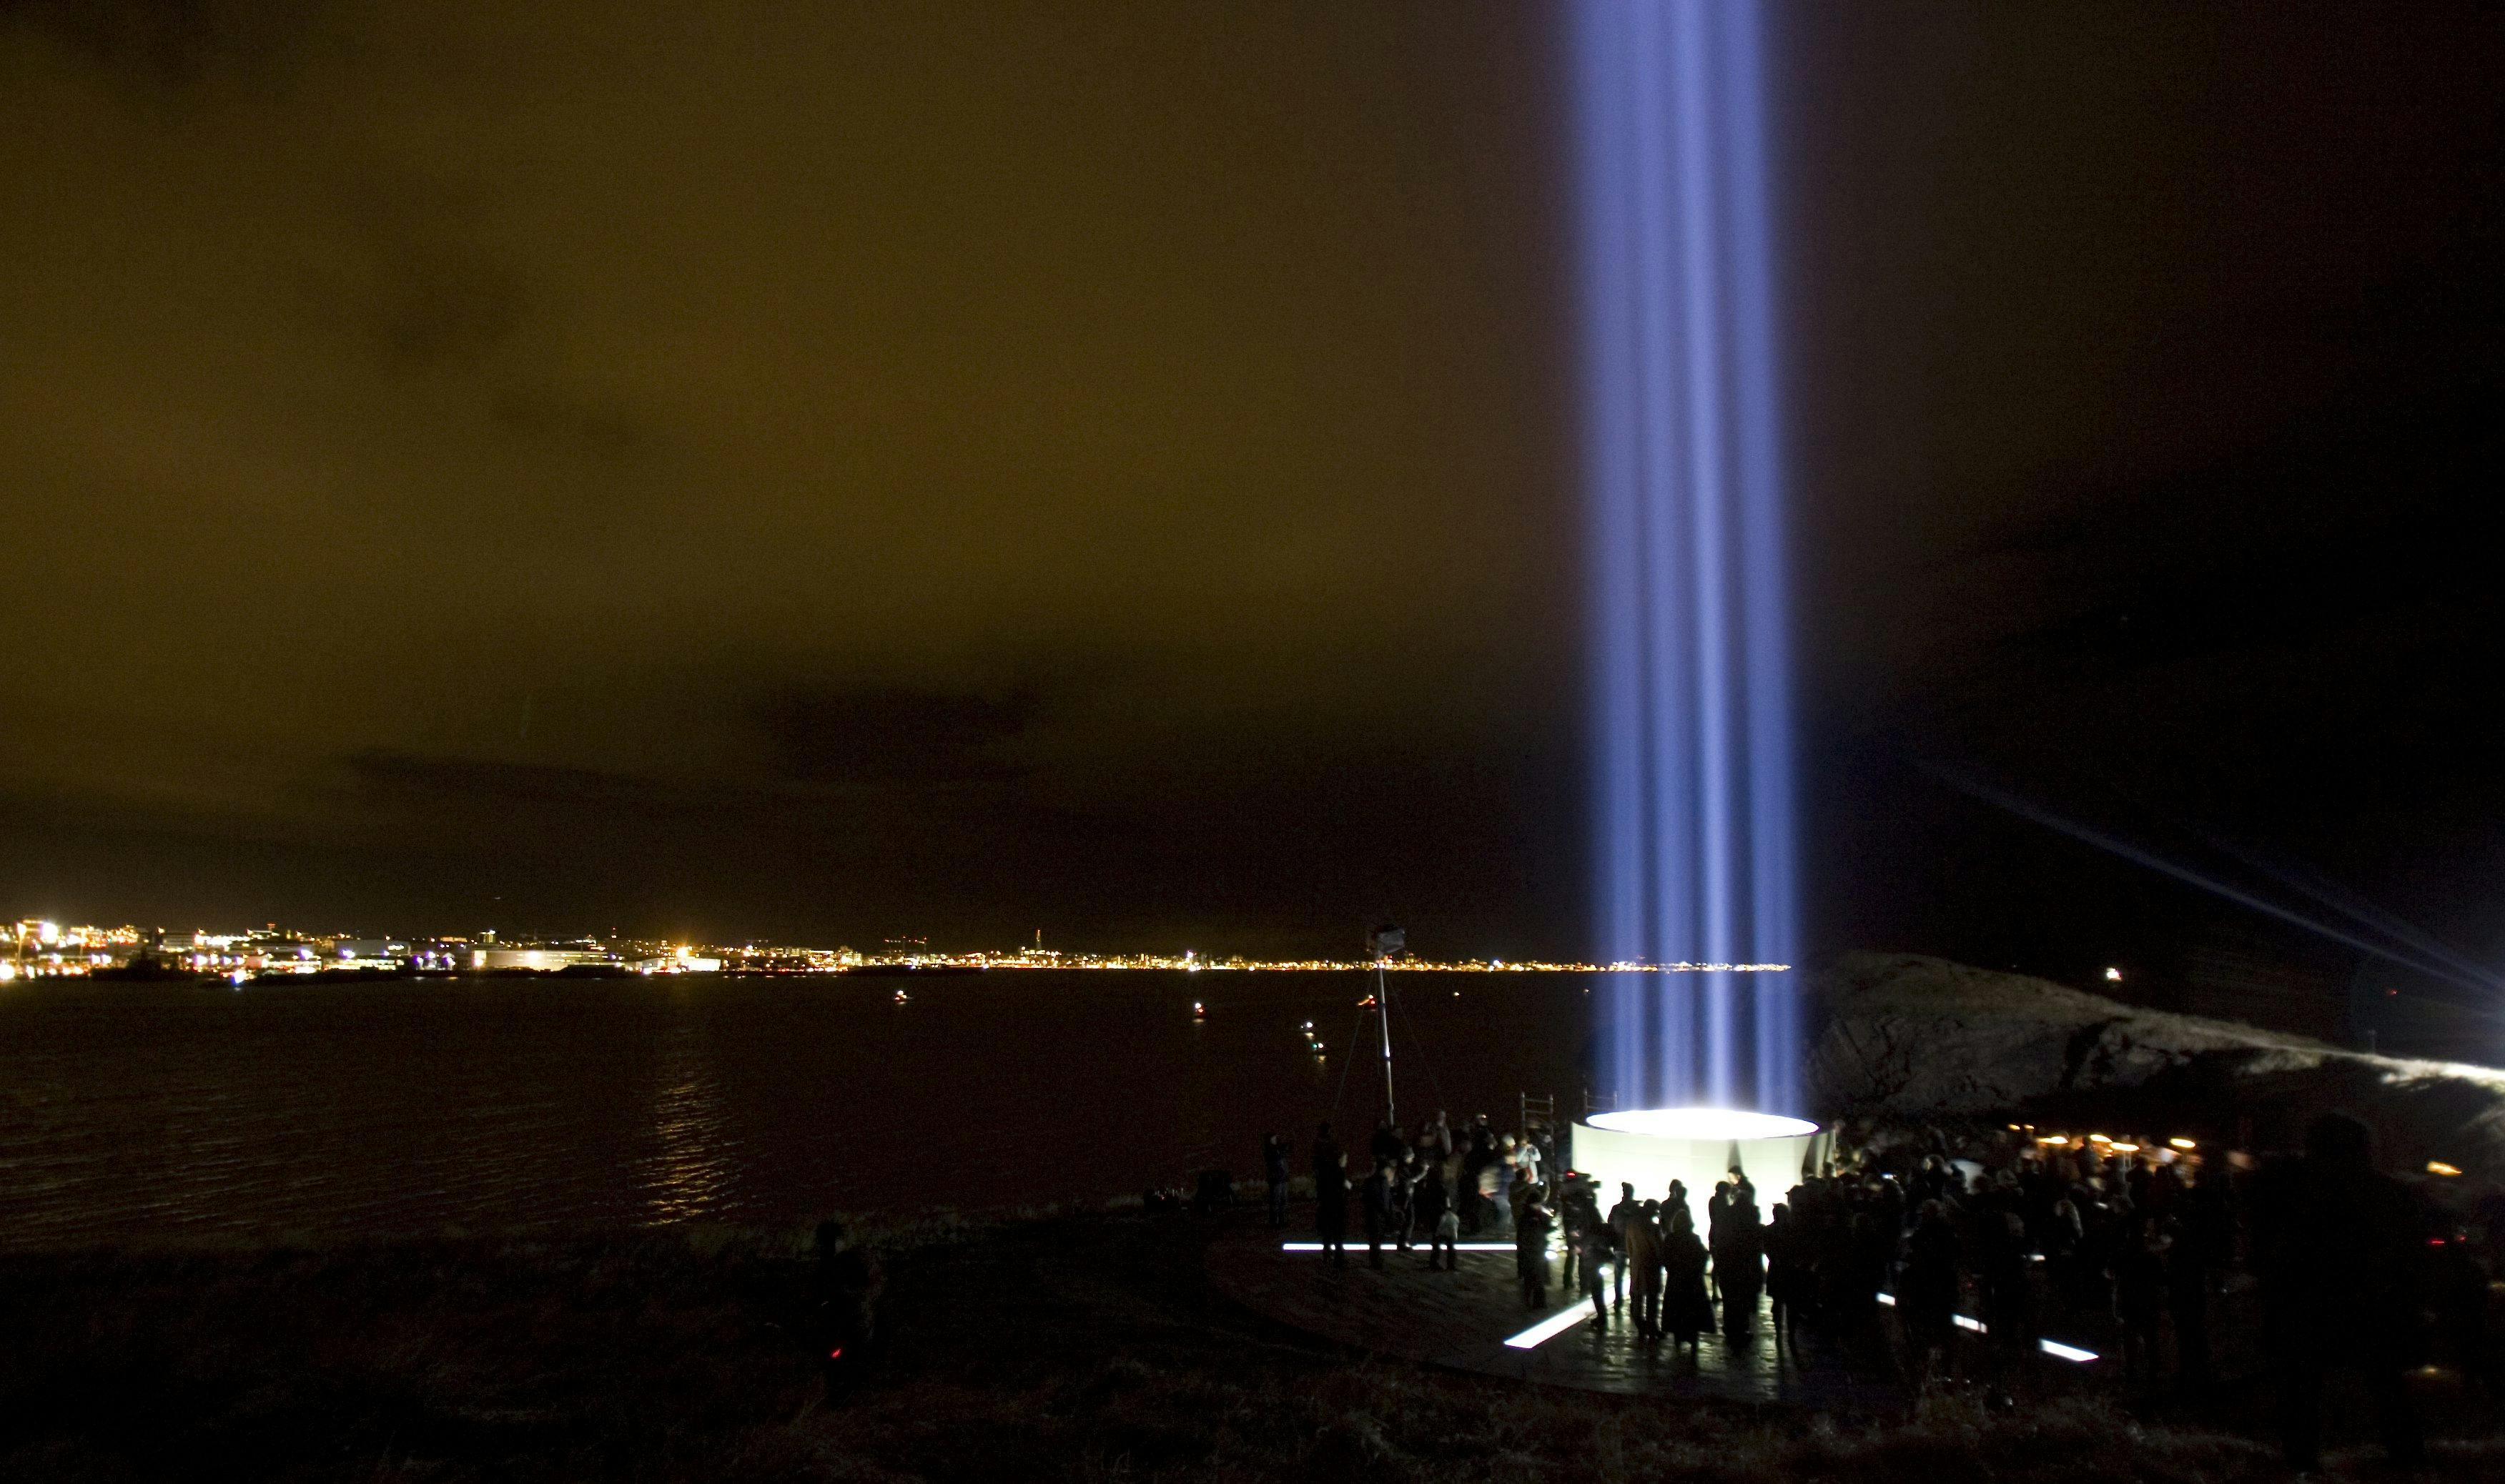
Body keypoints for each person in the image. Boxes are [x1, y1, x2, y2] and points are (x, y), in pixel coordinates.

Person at [2248, 1112, 2428, 1473]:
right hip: (2368, 1305)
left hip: (2311, 1305)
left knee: (2303, 1389)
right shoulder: (2387, 1192)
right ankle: (2404, 1458)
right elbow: (2410, 1253)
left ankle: (2302, 1462)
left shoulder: (2293, 1192)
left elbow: (2270, 1249)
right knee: (2384, 1386)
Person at [811, 1219, 884, 1400]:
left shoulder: (847, 1263)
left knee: (846, 1351)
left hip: (854, 1322)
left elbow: (865, 1294)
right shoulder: (837, 1264)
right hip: (852, 1322)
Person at [1900, 1199, 1960, 1383]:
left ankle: (1928, 1365)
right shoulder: (1949, 1232)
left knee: (1927, 1326)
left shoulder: (1924, 1234)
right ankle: (1945, 1368)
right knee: (1944, 1327)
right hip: (1945, 1286)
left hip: (1927, 1287)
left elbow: (1914, 1255)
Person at [1661, 1207, 1712, 1350]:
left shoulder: (1670, 1239)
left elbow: (1665, 1258)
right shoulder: (1694, 1238)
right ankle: (1693, 1341)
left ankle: (1678, 1339)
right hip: (1692, 1281)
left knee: (1677, 1311)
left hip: (1675, 1281)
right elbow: (1702, 1257)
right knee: (1692, 1311)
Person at [1625, 1199, 1666, 1340]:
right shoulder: (1654, 1228)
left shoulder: (1632, 1225)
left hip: (1637, 1266)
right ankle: (1652, 1328)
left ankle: (1641, 1327)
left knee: (1637, 1298)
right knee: (1652, 1300)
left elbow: (1629, 1247)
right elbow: (1659, 1248)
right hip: (1652, 1267)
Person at [1414, 1157, 1456, 1270]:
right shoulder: (1442, 1188)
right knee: (1449, 1240)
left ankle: (1435, 1262)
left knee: (1436, 1241)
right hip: (1442, 1214)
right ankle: (1450, 1264)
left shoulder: (1428, 1187)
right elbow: (1447, 1203)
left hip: (1434, 1215)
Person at [1313, 1139, 1350, 1267]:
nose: (1346, 1162)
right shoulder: (1339, 1172)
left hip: (1326, 1206)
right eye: (1345, 1159)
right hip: (1336, 1206)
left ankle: (1327, 1255)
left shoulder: (1325, 1171)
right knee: (1338, 1233)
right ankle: (1339, 1259)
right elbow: (1343, 1187)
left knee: (1328, 1233)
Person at [1606, 1182, 1641, 1313]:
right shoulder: (1637, 1209)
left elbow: (1610, 1224)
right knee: (1634, 1275)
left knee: (1618, 1276)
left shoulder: (1616, 1209)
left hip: (1619, 1247)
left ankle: (1618, 1301)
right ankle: (1634, 1303)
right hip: (1633, 1248)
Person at [1517, 1195, 1554, 1308]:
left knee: (1537, 1278)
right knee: (1533, 1278)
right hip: (1532, 1252)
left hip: (1538, 1250)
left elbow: (1545, 1228)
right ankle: (1532, 1301)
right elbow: (1523, 1237)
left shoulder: (1539, 1215)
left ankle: (1538, 1302)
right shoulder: (1528, 1217)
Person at [1361, 1160, 1392, 1270]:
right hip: (1379, 1215)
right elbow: (1384, 1200)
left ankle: (1374, 1260)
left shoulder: (1369, 1181)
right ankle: (1378, 1261)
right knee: (1378, 1239)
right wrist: (1387, 1213)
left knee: (1373, 1239)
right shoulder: (1383, 1181)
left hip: (1370, 1213)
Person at [1262, 1133, 1291, 1228]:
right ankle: (1275, 1221)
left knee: (1282, 1200)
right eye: (1273, 1138)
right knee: (1276, 1201)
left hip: (1282, 1179)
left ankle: (1281, 1220)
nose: (1275, 1139)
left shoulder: (1278, 1150)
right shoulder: (1271, 1151)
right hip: (1276, 1179)